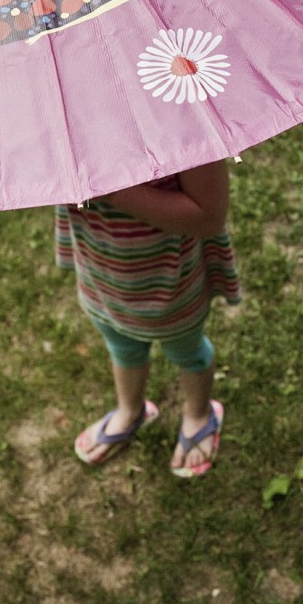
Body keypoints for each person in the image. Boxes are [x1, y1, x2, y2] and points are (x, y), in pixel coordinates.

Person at [55, 160, 241, 478]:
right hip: (102, 279)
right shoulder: (62, 129)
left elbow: (208, 216)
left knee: (188, 351)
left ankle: (199, 414)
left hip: (172, 286)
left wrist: (117, 194)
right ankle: (131, 410)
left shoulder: (181, 121)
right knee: (123, 348)